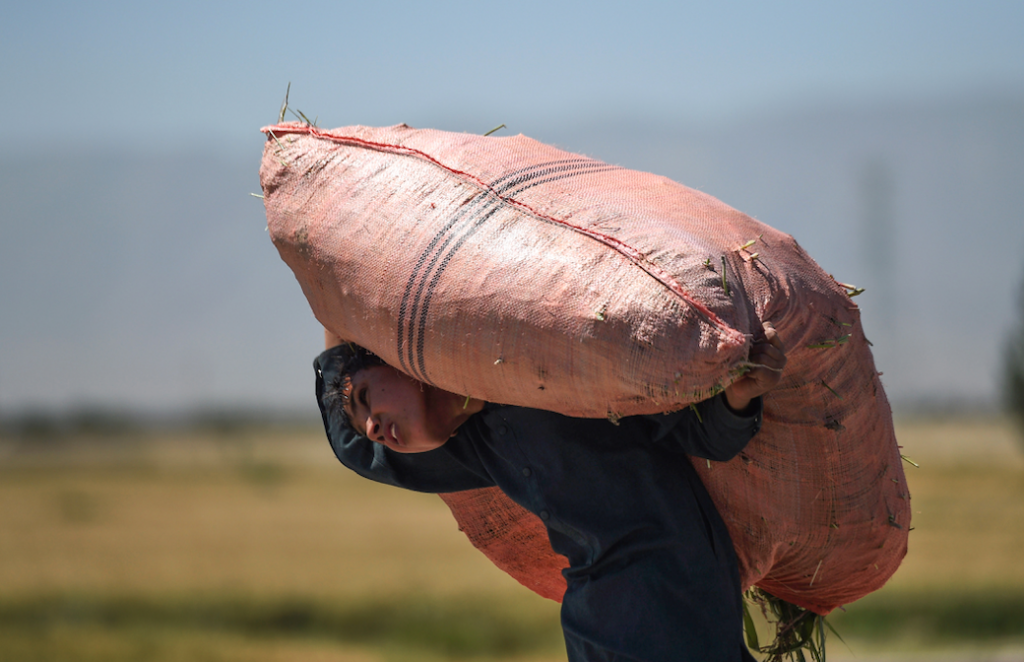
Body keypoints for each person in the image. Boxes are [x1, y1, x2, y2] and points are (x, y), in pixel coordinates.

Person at [314, 323, 786, 662]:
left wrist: (739, 395)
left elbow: (702, 434)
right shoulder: (473, 448)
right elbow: (356, 447)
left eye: (366, 398)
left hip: (672, 602)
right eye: (367, 423)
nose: (373, 427)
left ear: (402, 362)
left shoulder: (545, 370)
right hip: (594, 629)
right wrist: (331, 309)